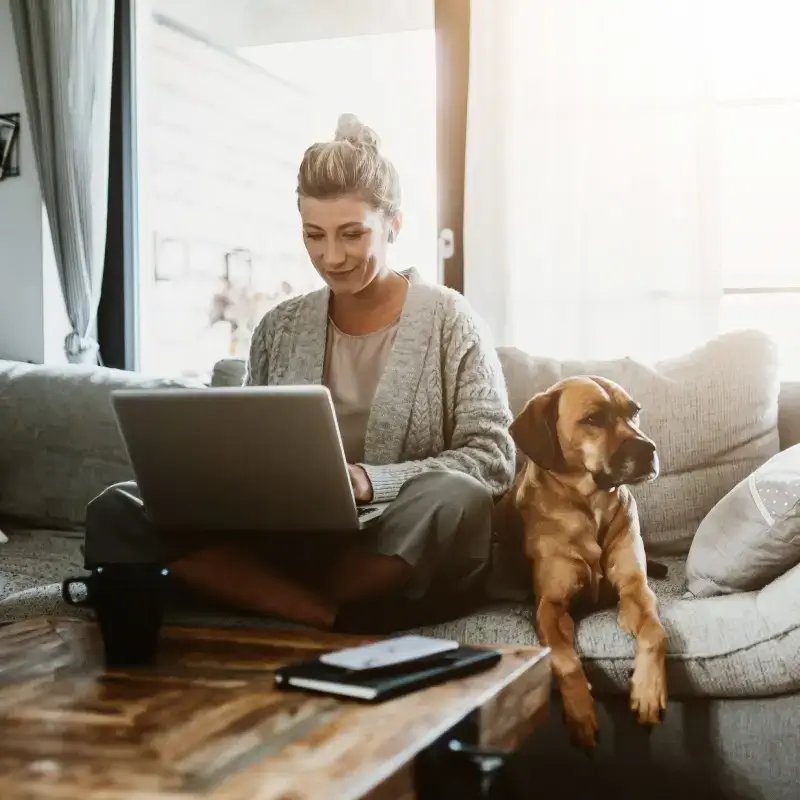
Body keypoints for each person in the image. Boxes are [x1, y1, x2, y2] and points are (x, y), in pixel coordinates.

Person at [84, 114, 515, 631]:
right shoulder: (279, 326)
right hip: (288, 538)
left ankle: (257, 594)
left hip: (391, 542)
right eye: (314, 235)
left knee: (455, 497)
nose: (331, 257)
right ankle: (325, 614)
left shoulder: (450, 320)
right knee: (117, 507)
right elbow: (246, 443)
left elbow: (491, 460)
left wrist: (367, 482)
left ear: (394, 225)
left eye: (352, 234)